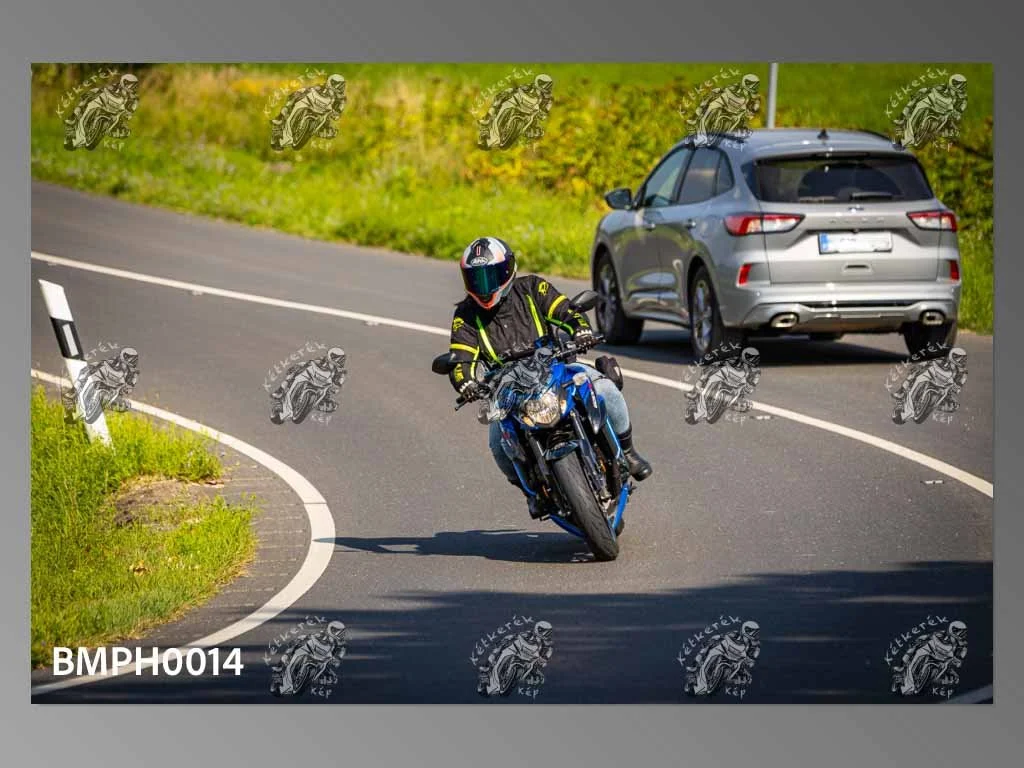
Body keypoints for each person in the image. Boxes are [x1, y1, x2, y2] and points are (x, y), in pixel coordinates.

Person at [446, 236, 652, 519]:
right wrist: (466, 382)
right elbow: (460, 359)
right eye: (476, 278)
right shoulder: (464, 316)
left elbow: (565, 311)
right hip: (507, 390)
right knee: (498, 444)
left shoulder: (532, 287)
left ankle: (627, 452)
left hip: (554, 366)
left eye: (489, 276)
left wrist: (580, 330)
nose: (483, 286)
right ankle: (532, 491)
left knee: (606, 389)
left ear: (507, 270)